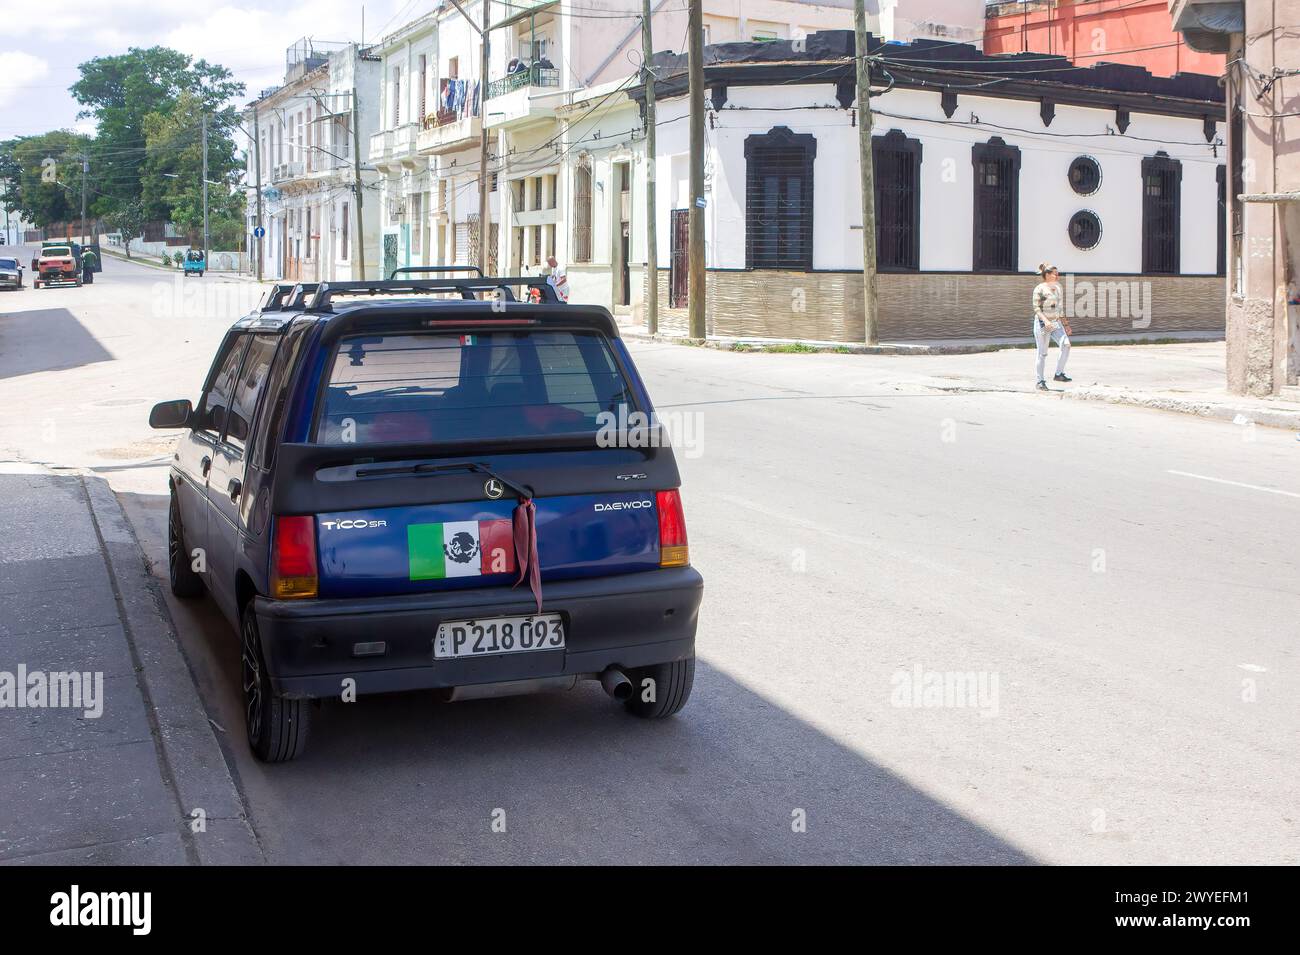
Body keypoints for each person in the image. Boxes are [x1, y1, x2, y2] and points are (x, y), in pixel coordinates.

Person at [1032, 263, 1070, 390]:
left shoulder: (1058, 288)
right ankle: (1040, 381)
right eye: (1055, 273)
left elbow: (1060, 308)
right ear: (1047, 275)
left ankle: (1058, 374)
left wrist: (1066, 324)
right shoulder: (1039, 289)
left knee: (1066, 345)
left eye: (1058, 273)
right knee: (1042, 354)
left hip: (1055, 322)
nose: (1057, 276)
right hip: (1042, 323)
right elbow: (1036, 308)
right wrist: (1046, 321)